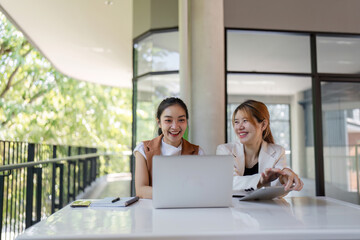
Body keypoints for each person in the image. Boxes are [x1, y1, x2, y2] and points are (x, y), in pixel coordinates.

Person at [216, 99, 303, 195]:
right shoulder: (224, 150)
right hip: (233, 208)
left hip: (265, 208)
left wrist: (284, 178)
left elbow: (278, 192)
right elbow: (228, 183)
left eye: (245, 121)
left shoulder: (278, 151)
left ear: (263, 124)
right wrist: (260, 180)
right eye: (236, 122)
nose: (239, 127)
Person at [134, 97, 204, 199]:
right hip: (152, 212)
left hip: (186, 211)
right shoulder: (143, 149)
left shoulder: (198, 152)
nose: (175, 126)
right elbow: (141, 191)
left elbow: (201, 189)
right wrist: (179, 192)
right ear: (159, 123)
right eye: (168, 120)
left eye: (181, 120)